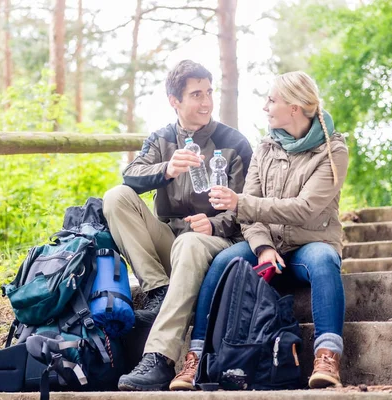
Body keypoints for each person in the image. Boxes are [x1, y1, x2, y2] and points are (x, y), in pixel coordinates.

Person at [102, 59, 253, 391]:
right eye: (196, 94)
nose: (206, 102)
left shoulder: (235, 143)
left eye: (209, 92)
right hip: (171, 241)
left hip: (216, 245)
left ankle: (159, 358)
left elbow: (250, 206)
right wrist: (166, 169)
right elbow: (131, 176)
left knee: (191, 242)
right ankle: (157, 289)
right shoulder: (161, 139)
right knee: (116, 197)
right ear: (175, 101)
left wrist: (214, 224)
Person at [206, 70, 349, 389]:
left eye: (272, 100)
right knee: (222, 262)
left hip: (309, 245)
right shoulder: (265, 147)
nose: (265, 107)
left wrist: (239, 201)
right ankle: (195, 356)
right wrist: (262, 247)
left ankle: (327, 355)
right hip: (267, 246)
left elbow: (305, 208)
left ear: (295, 108)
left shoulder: (333, 150)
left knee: (326, 262)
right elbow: (249, 212)